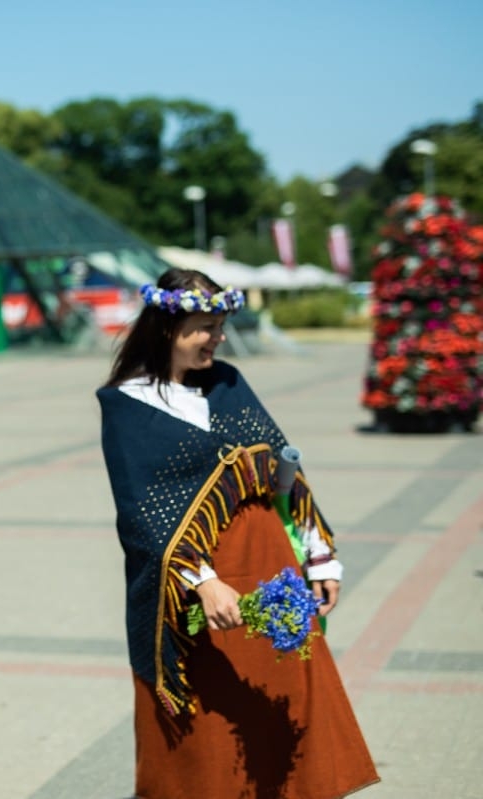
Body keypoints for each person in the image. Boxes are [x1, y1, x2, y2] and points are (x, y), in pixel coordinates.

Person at [95, 268, 379, 798]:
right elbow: (140, 514)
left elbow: (283, 474)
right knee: (212, 723)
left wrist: (319, 557)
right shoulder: (126, 405)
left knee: (285, 700)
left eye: (220, 324)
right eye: (206, 327)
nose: (218, 338)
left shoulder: (228, 383)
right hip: (199, 587)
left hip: (273, 565)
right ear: (165, 330)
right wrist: (203, 581)